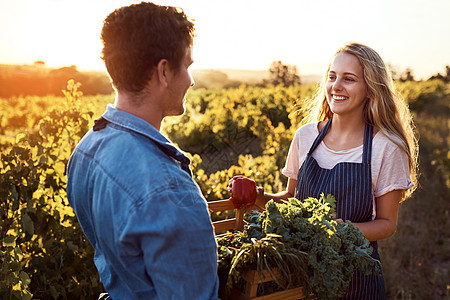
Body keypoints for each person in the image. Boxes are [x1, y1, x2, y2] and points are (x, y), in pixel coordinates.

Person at [66, 2, 219, 299]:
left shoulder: (86, 151)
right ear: (163, 72)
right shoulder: (169, 190)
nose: (191, 79)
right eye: (187, 66)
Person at [254, 42, 419, 299]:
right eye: (332, 77)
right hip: (300, 277)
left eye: (349, 79)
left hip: (356, 279)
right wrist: (258, 197)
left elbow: (387, 224)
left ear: (370, 89)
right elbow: (291, 200)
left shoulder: (385, 147)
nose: (336, 86)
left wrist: (343, 230)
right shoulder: (305, 136)